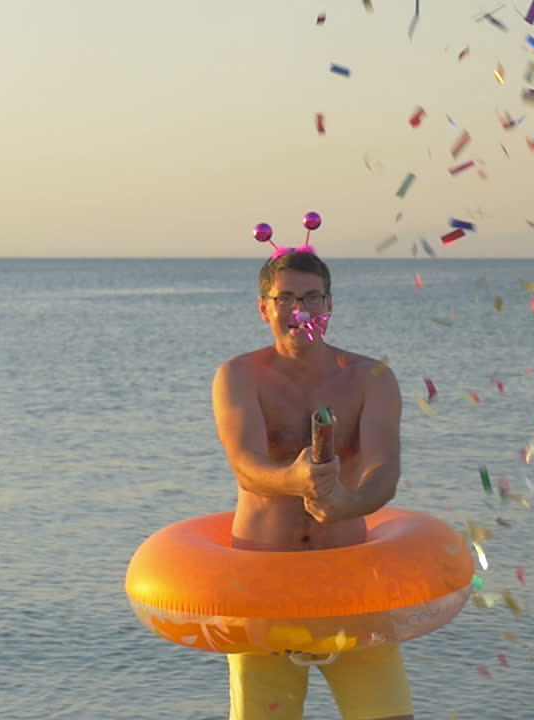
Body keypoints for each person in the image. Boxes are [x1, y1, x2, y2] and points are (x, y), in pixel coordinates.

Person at [211, 248, 412, 720]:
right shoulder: (238, 377)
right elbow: (245, 464)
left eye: (312, 298)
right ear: (264, 307)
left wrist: (346, 504)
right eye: (285, 299)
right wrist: (293, 479)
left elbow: (385, 471)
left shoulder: (371, 379)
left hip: (351, 583)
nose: (299, 311)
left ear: (329, 305)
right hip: (264, 585)